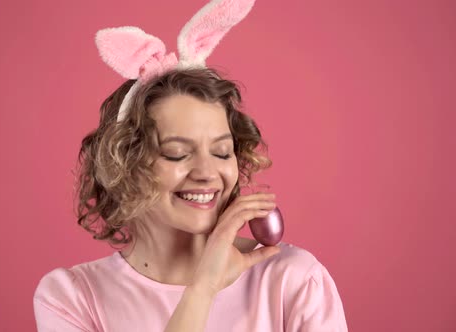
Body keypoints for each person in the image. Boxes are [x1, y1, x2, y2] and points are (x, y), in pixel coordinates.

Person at [34, 1, 348, 331]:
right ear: (123, 166)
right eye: (177, 154)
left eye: (223, 152)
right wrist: (201, 291)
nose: (207, 173)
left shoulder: (292, 280)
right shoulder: (72, 298)